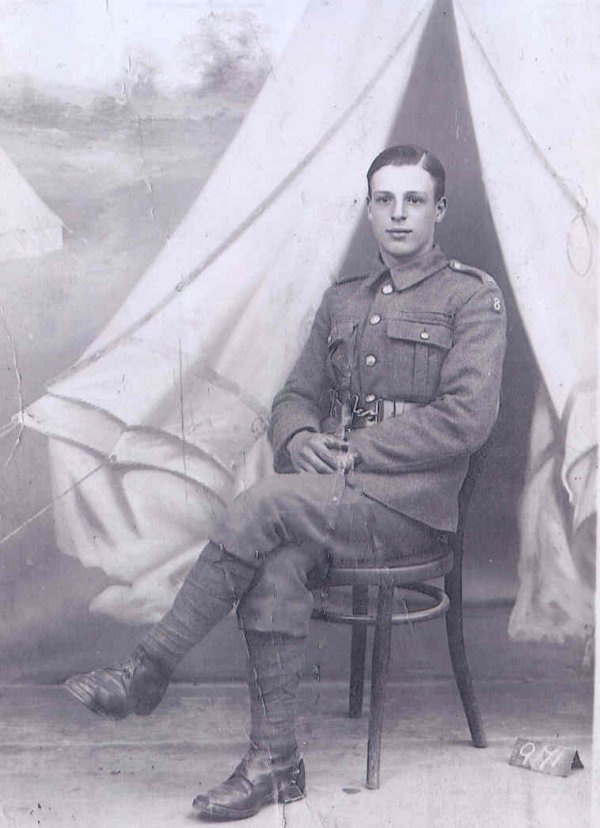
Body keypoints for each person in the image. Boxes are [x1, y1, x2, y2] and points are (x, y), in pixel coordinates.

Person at [65, 144, 506, 821]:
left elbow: (465, 420)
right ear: (368, 210)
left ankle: (149, 668)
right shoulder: (345, 300)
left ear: (439, 210)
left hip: (411, 512)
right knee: (276, 562)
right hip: (333, 506)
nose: (398, 214)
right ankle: (275, 763)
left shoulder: (471, 298)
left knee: (262, 504)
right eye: (384, 200)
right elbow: (296, 396)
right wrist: (299, 438)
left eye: (414, 200)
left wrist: (354, 449)